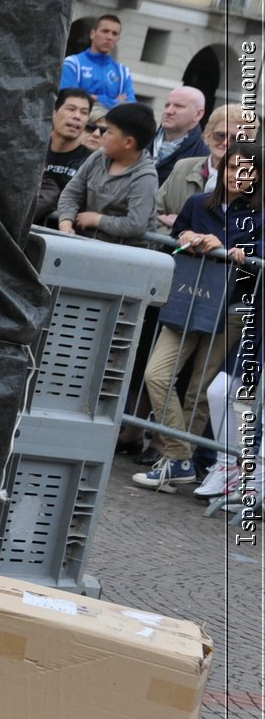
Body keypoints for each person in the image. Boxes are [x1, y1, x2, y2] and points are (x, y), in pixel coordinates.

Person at [133, 140, 261, 491]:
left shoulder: (260, 216)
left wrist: (243, 250)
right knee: (156, 374)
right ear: (222, 169)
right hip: (189, 301)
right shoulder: (196, 204)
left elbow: (259, 253)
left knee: (199, 390)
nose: (238, 175)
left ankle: (178, 464)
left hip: (232, 309)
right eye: (233, 167)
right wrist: (186, 234)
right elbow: (176, 237)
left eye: (248, 169)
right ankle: (180, 456)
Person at [56, 102, 157, 244]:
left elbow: (135, 224)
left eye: (109, 131)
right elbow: (72, 192)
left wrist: (97, 220)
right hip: (84, 243)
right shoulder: (98, 157)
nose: (102, 135)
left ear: (128, 143)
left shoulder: (145, 177)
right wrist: (65, 222)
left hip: (124, 255)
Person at [154, 104, 252, 234]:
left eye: (236, 139)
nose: (226, 143)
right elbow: (152, 216)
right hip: (170, 251)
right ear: (207, 135)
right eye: (220, 135)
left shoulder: (255, 180)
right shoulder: (183, 167)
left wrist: (187, 227)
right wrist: (180, 234)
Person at [32, 88, 95, 225]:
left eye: (84, 112)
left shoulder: (92, 162)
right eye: (71, 109)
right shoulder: (32, 151)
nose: (77, 116)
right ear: (54, 113)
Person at [59, 13, 135, 110]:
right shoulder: (72, 64)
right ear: (92, 34)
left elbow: (130, 106)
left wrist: (94, 98)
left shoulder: (123, 72)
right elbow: (69, 99)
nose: (109, 37)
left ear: (118, 39)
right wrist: (115, 102)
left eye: (114, 33)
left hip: (110, 125)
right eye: (105, 31)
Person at [149, 85, 208, 184]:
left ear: (198, 114)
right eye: (167, 105)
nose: (168, 111)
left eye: (178, 106)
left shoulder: (203, 158)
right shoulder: (141, 141)